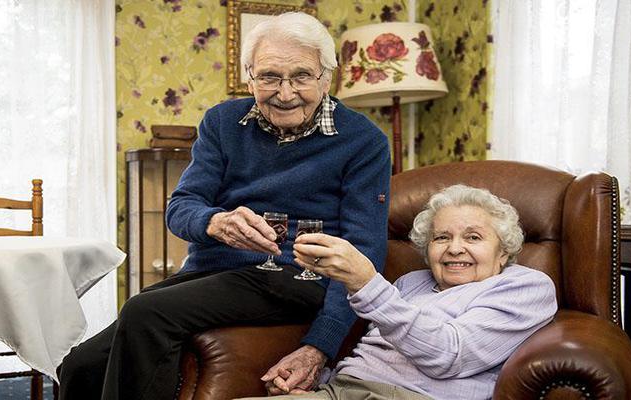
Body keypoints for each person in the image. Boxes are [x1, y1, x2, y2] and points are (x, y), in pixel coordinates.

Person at [57, 12, 390, 400]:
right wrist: (215, 222)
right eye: (269, 77)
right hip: (214, 272)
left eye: (301, 76)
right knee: (79, 365)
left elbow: (364, 252)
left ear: (326, 78)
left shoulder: (364, 142)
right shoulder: (222, 122)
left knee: (145, 310)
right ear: (249, 78)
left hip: (297, 277)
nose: (285, 93)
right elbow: (181, 207)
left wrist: (321, 345)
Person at [242, 184, 557, 400]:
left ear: (504, 251)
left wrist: (367, 283)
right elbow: (378, 358)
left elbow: (450, 355)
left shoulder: (525, 287)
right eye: (441, 238)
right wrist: (310, 381)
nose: (454, 248)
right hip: (339, 391)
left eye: (473, 237)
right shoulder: (411, 283)